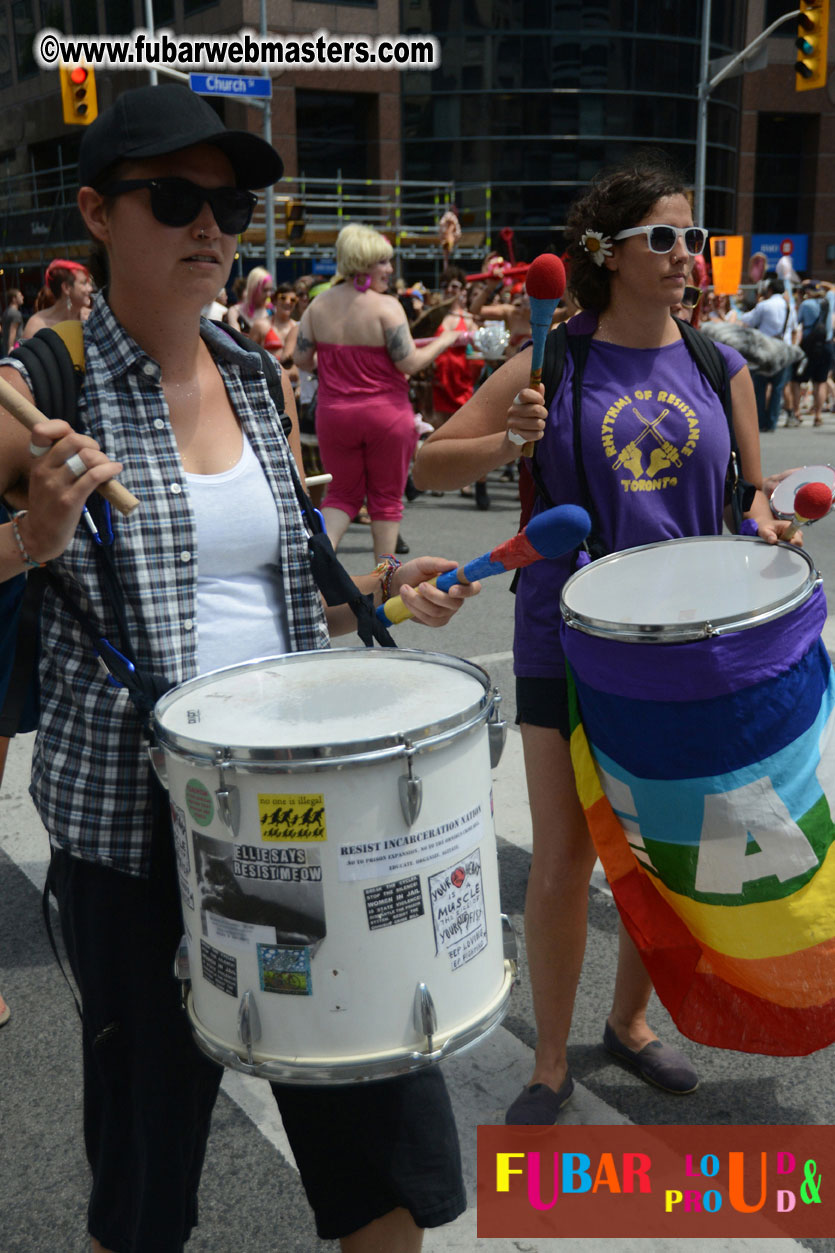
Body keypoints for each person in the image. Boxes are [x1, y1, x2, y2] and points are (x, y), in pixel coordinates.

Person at [0, 84, 477, 1252]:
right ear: (96, 214)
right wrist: (30, 539)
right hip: (141, 838)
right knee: (148, 1176)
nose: (212, 228)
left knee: (384, 1162)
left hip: (308, 819)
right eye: (176, 199)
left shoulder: (252, 370)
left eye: (231, 207)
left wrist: (377, 589)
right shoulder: (44, 388)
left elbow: (290, 570)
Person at [413, 151, 800, 1125]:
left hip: (686, 645)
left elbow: (746, 502)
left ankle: (628, 1022)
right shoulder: (552, 358)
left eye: (694, 240)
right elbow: (427, 466)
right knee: (563, 859)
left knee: (665, 850)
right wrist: (510, 444)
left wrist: (770, 524)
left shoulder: (721, 367)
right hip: (566, 638)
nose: (686, 256)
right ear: (609, 252)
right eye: (662, 238)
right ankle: (549, 1059)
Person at [294, 223, 462, 558]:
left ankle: (318, 565)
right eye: (383, 262)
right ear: (364, 262)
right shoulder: (386, 306)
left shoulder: (317, 306)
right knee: (386, 499)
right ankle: (383, 585)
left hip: (335, 414)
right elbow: (409, 363)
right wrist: (445, 339)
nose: (389, 269)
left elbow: (302, 358)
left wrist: (338, 367)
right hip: (386, 414)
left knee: (339, 494)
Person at [735, 276, 798, 432]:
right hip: (783, 350)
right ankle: (772, 422)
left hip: (765, 349)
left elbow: (747, 320)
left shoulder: (765, 305)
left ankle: (760, 421)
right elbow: (795, 329)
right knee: (777, 388)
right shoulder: (789, 307)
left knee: (760, 386)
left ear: (769, 290)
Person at [21, 260, 93, 338]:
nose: (90, 289)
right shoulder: (37, 325)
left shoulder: (92, 317)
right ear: (66, 288)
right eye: (84, 283)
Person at [226, 264, 274, 336]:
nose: (268, 294)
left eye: (270, 290)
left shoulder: (272, 312)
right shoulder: (235, 311)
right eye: (265, 290)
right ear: (253, 288)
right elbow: (236, 340)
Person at [1, 289, 24, 354]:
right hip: (15, 348)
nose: (22, 297)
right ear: (14, 299)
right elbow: (12, 332)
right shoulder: (16, 314)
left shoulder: (6, 311)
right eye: (20, 295)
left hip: (6, 347)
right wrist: (10, 348)